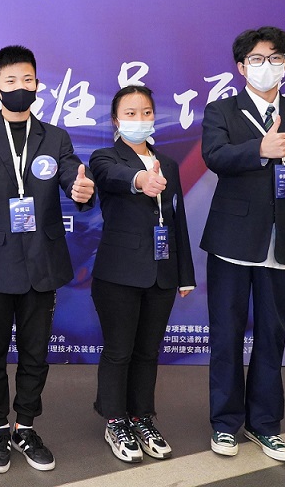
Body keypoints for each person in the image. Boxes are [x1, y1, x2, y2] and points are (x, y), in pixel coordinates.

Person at [0, 45, 95, 474]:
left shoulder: (55, 137)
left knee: (36, 353)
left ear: (37, 85)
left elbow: (73, 176)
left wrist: (80, 190)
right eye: (11, 80)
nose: (21, 86)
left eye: (28, 79)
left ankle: (26, 426)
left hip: (42, 263)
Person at [201, 26, 285, 462]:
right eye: (256, 59)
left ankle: (265, 425)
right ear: (241, 67)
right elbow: (215, 157)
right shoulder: (221, 110)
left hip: (284, 243)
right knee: (227, 336)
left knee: (272, 337)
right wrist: (261, 148)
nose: (266, 66)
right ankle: (225, 424)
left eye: (274, 58)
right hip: (232, 242)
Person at [88, 85, 196, 463]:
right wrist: (140, 180)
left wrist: (184, 274)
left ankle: (141, 417)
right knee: (119, 351)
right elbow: (113, 176)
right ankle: (115, 420)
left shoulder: (168, 163)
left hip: (162, 273)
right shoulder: (104, 157)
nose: (139, 119)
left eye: (146, 112)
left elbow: (177, 220)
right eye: (130, 113)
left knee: (148, 352)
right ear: (116, 121)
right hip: (118, 274)